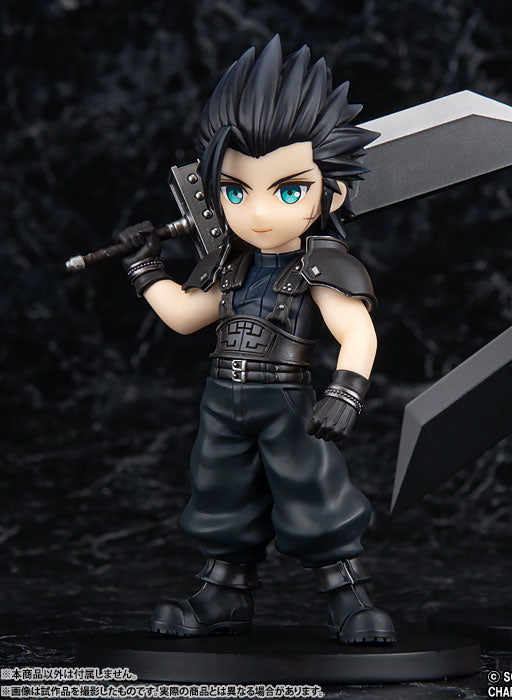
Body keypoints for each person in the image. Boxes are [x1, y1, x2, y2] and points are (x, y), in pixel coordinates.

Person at [116, 36, 395, 644]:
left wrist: (346, 393)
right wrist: (145, 268)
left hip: (286, 398)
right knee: (219, 491)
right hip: (224, 397)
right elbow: (186, 316)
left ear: (331, 192)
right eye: (236, 190)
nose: (259, 213)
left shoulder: (322, 264)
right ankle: (223, 593)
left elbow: (356, 330)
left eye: (289, 190)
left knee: (313, 490)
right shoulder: (231, 264)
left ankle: (348, 594)